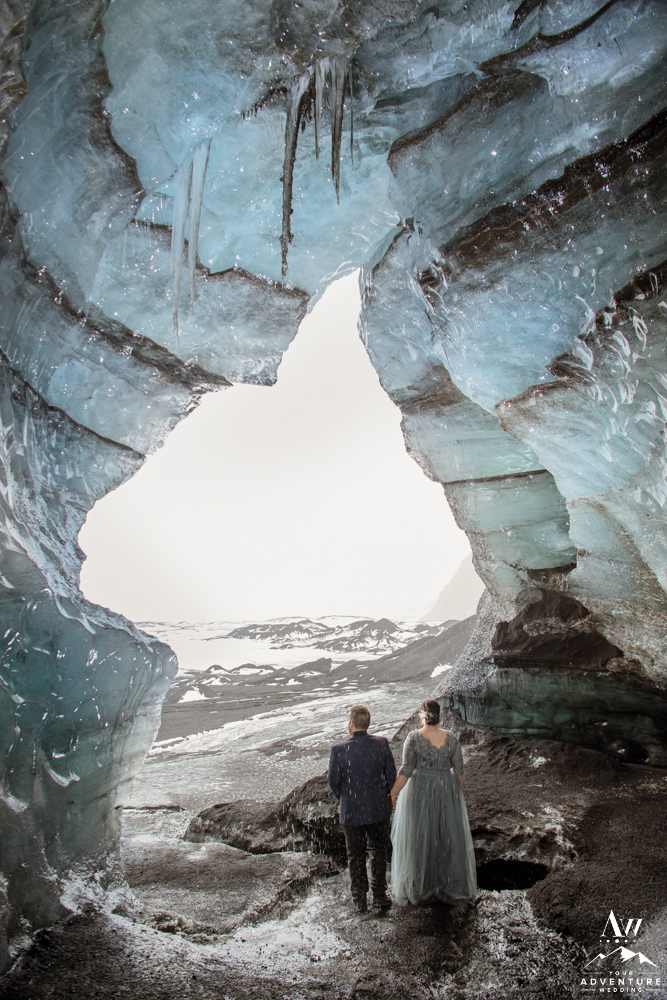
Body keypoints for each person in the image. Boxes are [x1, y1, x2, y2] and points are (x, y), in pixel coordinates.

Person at [389, 698, 477, 906]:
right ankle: (448, 884)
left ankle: (422, 885)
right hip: (447, 789)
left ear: (422, 716)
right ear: (439, 716)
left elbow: (406, 770)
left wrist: (393, 793)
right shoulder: (452, 738)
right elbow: (459, 772)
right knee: (447, 836)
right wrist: (447, 787)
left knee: (420, 836)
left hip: (419, 790)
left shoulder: (413, 738)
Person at [328, 704, 397, 914]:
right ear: (368, 724)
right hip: (378, 809)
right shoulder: (381, 744)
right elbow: (391, 777)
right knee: (378, 851)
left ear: (350, 724)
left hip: (351, 811)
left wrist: (347, 799)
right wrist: (381, 797)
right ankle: (379, 897)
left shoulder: (338, 749)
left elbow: (333, 782)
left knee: (355, 855)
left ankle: (359, 901)